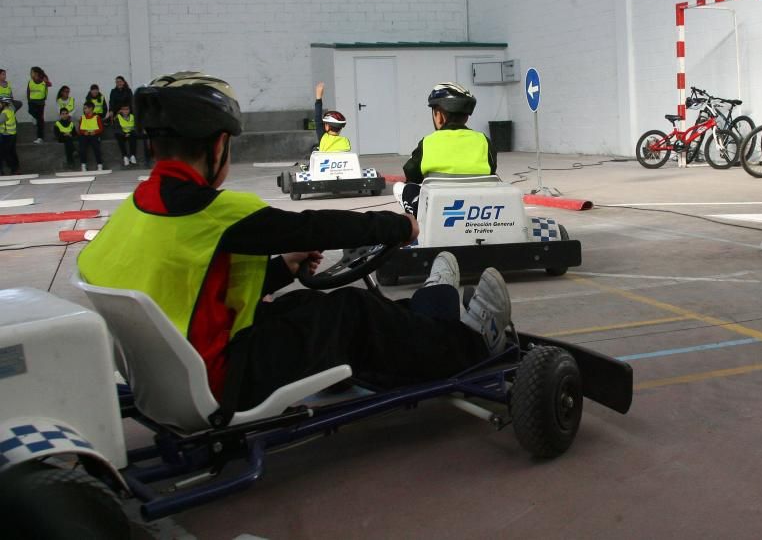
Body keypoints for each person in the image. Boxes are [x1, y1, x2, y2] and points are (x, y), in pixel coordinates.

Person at [76, 72, 512, 413]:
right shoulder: (214, 213)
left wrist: (283, 268)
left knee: (309, 309)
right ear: (220, 146)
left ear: (154, 147)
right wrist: (396, 227)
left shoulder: (135, 211)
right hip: (228, 380)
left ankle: (436, 308)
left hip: (176, 376)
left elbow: (192, 290)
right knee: (351, 310)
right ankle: (474, 344)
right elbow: (312, 226)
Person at [396, 82, 498, 215]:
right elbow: (492, 169)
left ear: (439, 115)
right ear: (466, 117)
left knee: (403, 188)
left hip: (437, 208)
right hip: (477, 207)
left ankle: (418, 217)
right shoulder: (484, 141)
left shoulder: (427, 142)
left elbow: (411, 174)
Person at [313, 82, 351, 152]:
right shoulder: (345, 141)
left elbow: (317, 118)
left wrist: (318, 98)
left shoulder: (323, 137)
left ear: (327, 126)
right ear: (340, 129)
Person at [77, 101, 104, 171]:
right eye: (84, 108)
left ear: (91, 108)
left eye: (85, 108)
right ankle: (83, 165)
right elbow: (80, 129)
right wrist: (84, 132)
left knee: (96, 148)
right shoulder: (82, 117)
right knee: (82, 148)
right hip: (84, 135)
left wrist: (95, 132)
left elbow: (101, 128)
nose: (84, 110)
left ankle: (99, 164)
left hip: (94, 135)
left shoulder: (97, 117)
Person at [26, 66, 49, 144]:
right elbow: (28, 91)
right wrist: (28, 100)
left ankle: (40, 137)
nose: (30, 74)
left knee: (40, 120)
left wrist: (46, 82)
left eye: (32, 72)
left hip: (40, 103)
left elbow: (49, 84)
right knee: (30, 111)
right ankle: (36, 119)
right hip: (32, 101)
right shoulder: (30, 82)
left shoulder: (43, 80)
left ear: (36, 73)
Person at [113, 103, 139, 167]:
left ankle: (132, 156)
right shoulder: (118, 117)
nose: (125, 111)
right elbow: (117, 127)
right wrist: (124, 134)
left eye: (127, 109)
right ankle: (125, 157)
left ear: (129, 110)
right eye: (123, 109)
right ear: (121, 110)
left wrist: (129, 133)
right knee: (118, 136)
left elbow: (136, 127)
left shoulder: (133, 116)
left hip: (130, 133)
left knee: (133, 137)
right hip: (122, 134)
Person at [0, 96, 19, 175]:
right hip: (12, 134)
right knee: (11, 152)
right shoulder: (11, 109)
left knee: (6, 153)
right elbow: (19, 103)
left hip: (6, 135)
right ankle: (15, 169)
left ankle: (12, 169)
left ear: (4, 104)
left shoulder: (4, 113)